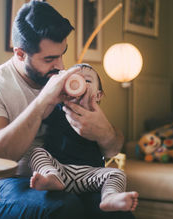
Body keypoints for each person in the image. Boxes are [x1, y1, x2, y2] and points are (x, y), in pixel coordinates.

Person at [0, 0, 133, 219]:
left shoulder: (71, 81)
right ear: (20, 53)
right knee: (64, 207)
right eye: (49, 58)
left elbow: (113, 149)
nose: (61, 66)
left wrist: (105, 133)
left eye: (62, 53)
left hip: (67, 176)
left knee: (118, 214)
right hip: (8, 183)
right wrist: (42, 101)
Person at [29, 63, 139, 212]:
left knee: (117, 173)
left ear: (98, 95)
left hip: (89, 174)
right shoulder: (57, 109)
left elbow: (111, 140)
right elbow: (39, 117)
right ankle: (50, 177)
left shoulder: (98, 119)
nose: (79, 83)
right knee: (37, 153)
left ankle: (109, 197)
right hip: (60, 171)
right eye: (74, 79)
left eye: (87, 81)